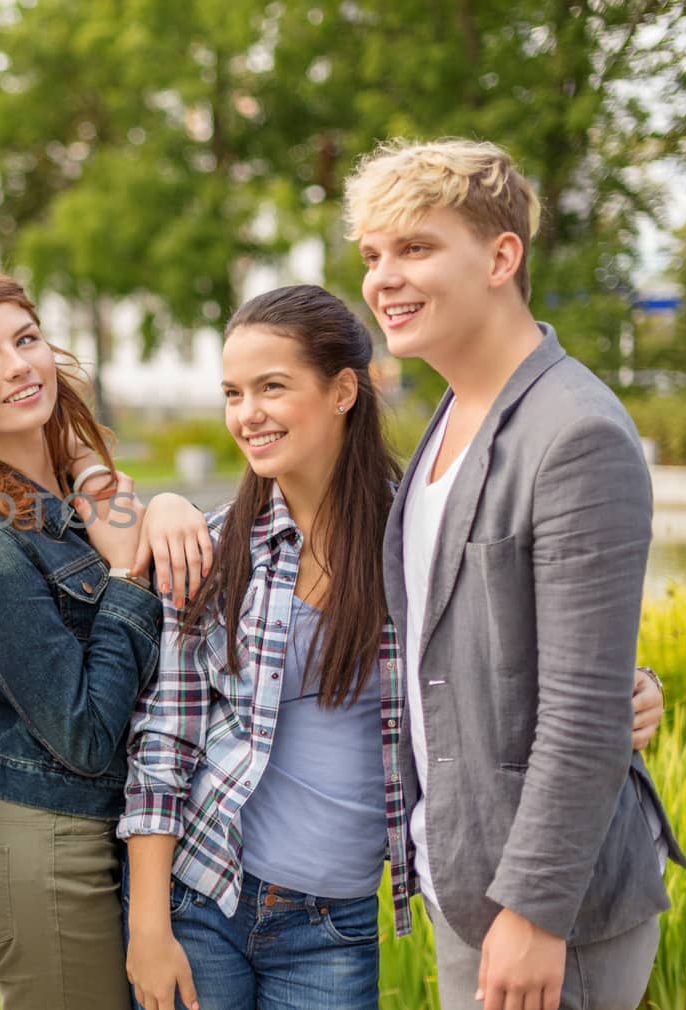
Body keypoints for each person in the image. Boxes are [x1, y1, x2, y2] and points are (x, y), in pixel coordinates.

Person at [347, 138, 686, 1010]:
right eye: (373, 255)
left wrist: (533, 912)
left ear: (503, 256)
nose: (384, 277)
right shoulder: (451, 415)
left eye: (416, 248)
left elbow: (583, 707)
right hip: (465, 877)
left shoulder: (576, 433)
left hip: (547, 908)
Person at [0, 270, 202, 1010]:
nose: (18, 365)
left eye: (25, 339)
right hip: (47, 851)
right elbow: (87, 736)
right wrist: (130, 573)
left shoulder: (69, 499)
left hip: (103, 835)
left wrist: (163, 502)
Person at [121, 285, 410, 1010]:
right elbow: (165, 736)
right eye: (232, 393)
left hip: (332, 921)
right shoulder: (214, 547)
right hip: (202, 898)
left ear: (343, 389)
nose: (247, 415)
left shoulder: (416, 540)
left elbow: (510, 646)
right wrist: (148, 927)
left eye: (271, 387)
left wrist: (631, 684)